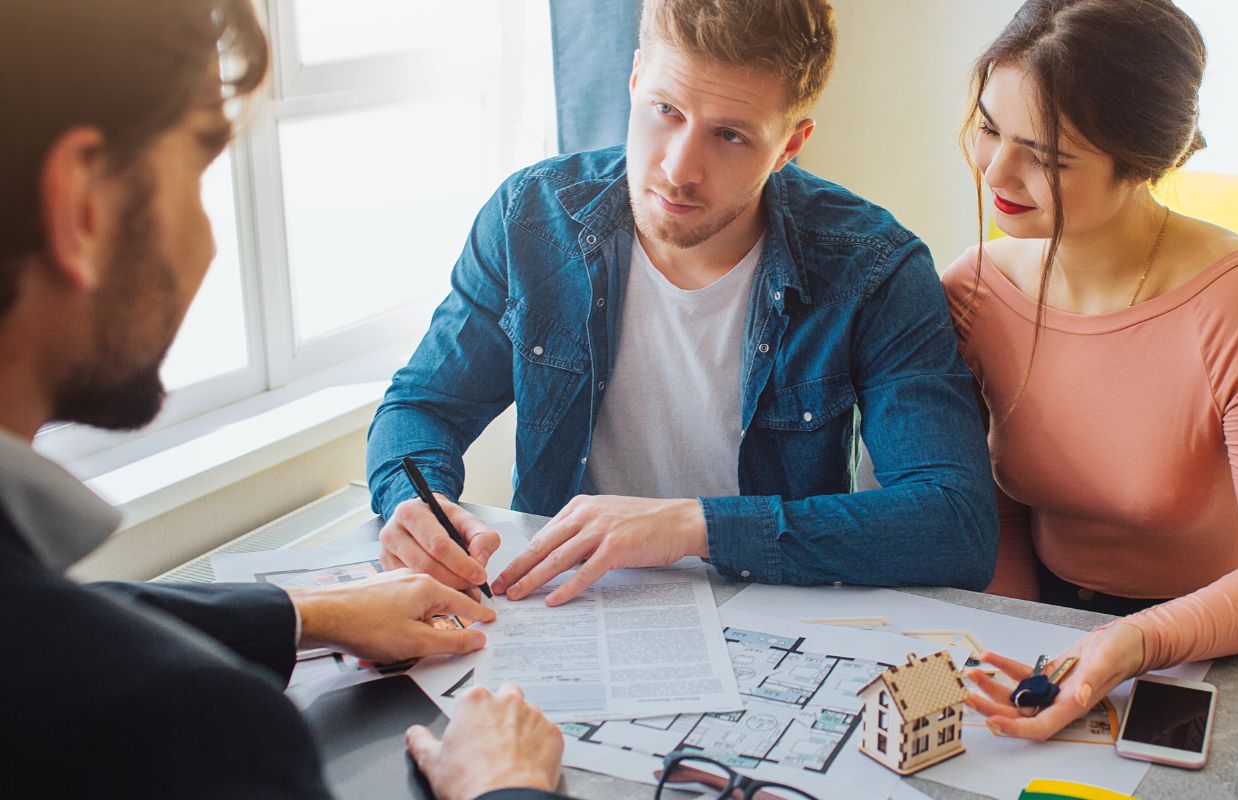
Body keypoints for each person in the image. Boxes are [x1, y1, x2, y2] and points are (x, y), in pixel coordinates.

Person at [0, 2, 568, 798]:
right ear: (83, 208)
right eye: (197, 176)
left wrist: (306, 613)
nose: (206, 242)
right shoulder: (189, 727)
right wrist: (503, 789)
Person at [369, 0, 997, 606]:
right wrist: (413, 503)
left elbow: (955, 521)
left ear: (790, 145)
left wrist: (693, 526)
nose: (678, 168)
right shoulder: (531, 219)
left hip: (773, 614)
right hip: (563, 606)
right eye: (665, 109)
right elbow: (423, 406)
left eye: (729, 135)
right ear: (636, 75)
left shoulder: (873, 267)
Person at [940, 2, 1238, 797]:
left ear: (1140, 161)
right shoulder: (974, 292)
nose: (995, 174)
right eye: (989, 128)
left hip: (1216, 645)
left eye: (1046, 157)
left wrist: (1132, 644)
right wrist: (1031, 640)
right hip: (1055, 628)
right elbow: (1002, 509)